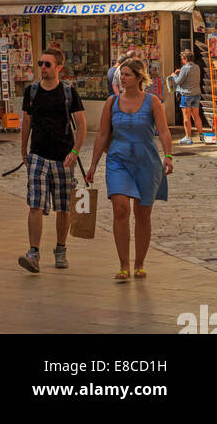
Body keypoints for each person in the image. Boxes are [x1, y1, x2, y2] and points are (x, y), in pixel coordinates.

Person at [86, 57, 173, 280]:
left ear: (138, 78)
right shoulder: (111, 102)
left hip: (147, 161)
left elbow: (163, 131)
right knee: (121, 208)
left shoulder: (152, 102)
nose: (122, 78)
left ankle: (139, 263)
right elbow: (103, 134)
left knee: (143, 214)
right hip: (118, 160)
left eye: (127, 75)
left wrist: (169, 156)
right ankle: (123, 265)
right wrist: (93, 165)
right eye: (121, 75)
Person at [18, 47, 86, 273]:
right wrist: (23, 148)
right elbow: (26, 120)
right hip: (38, 154)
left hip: (63, 156)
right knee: (35, 203)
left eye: (47, 64)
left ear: (58, 68)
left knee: (64, 207)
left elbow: (82, 124)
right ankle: (33, 252)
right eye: (40, 64)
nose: (43, 68)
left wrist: (75, 152)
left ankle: (60, 249)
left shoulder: (68, 92)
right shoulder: (32, 92)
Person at [173, 49, 205, 143]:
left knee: (186, 116)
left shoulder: (185, 68)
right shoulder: (197, 67)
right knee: (196, 115)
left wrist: (174, 75)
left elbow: (178, 81)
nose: (182, 61)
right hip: (196, 94)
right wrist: (181, 71)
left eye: (182, 59)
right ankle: (201, 136)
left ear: (185, 58)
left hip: (186, 95)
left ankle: (188, 137)